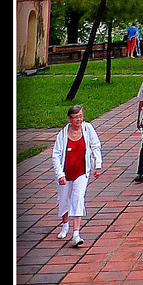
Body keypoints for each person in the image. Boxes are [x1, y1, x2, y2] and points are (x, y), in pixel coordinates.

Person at [51, 105, 102, 247]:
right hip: (66, 173)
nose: (79, 119)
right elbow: (55, 155)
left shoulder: (87, 129)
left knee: (78, 198)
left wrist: (97, 165)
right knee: (64, 198)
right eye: (75, 117)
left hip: (81, 172)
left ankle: (76, 233)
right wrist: (59, 174)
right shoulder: (62, 135)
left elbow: (95, 145)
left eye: (80, 116)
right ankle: (65, 224)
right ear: (69, 119)